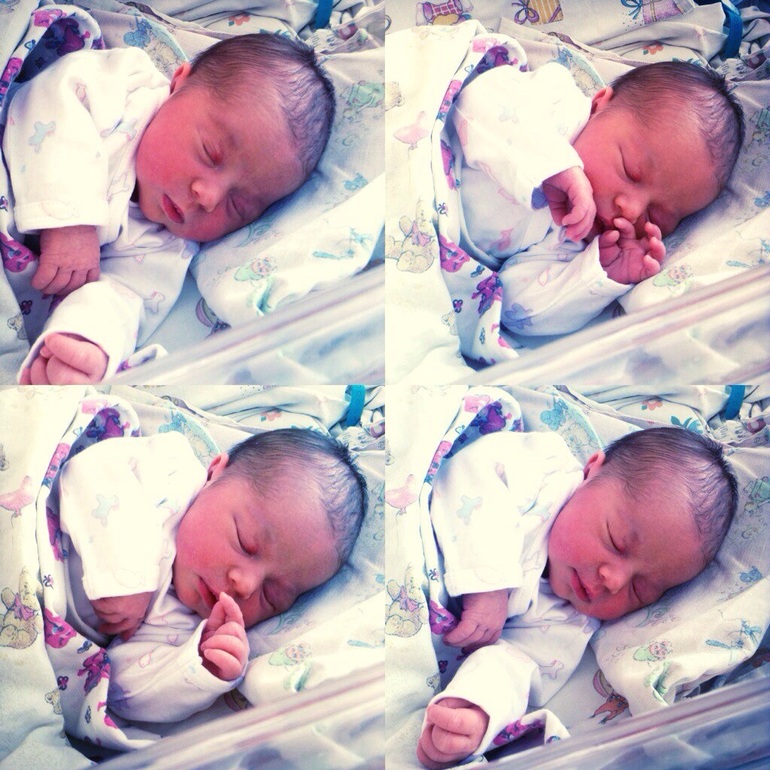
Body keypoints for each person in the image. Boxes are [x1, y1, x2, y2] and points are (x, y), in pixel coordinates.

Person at [2, 33, 335, 384]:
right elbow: (50, 98)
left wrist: (85, 340)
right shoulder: (126, 88)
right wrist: (70, 221)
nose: (209, 197)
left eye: (239, 205)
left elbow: (125, 298)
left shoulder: (168, 248)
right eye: (210, 153)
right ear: (179, 83)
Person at [416, 426, 737, 769]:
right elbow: (469, 472)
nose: (614, 581)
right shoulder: (544, 469)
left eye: (640, 589)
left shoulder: (571, 623)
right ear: (592, 470)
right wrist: (488, 583)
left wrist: (477, 706)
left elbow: (516, 665)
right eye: (616, 541)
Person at [56, 427, 367, 723]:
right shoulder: (172, 473)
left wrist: (197, 668)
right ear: (215, 473)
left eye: (272, 595)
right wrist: (124, 572)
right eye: (246, 543)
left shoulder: (186, 627)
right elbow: (90, 470)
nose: (246, 585)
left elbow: (118, 689)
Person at [448, 60, 745, 335]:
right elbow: (477, 100)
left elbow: (514, 309)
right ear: (600, 104)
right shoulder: (556, 103)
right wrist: (554, 164)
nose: (631, 210)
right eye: (630, 171)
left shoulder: (574, 241)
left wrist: (596, 274)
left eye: (656, 216)